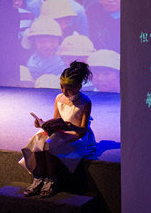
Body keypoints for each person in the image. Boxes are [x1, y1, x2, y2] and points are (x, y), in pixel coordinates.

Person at [20, 61, 96, 198]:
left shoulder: (85, 102)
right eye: (62, 87)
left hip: (76, 134)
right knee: (38, 139)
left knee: (50, 144)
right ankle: (39, 177)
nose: (64, 91)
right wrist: (44, 124)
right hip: (62, 132)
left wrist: (70, 126)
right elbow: (56, 119)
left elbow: (83, 130)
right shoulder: (59, 98)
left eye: (69, 88)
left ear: (78, 86)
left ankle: (52, 179)